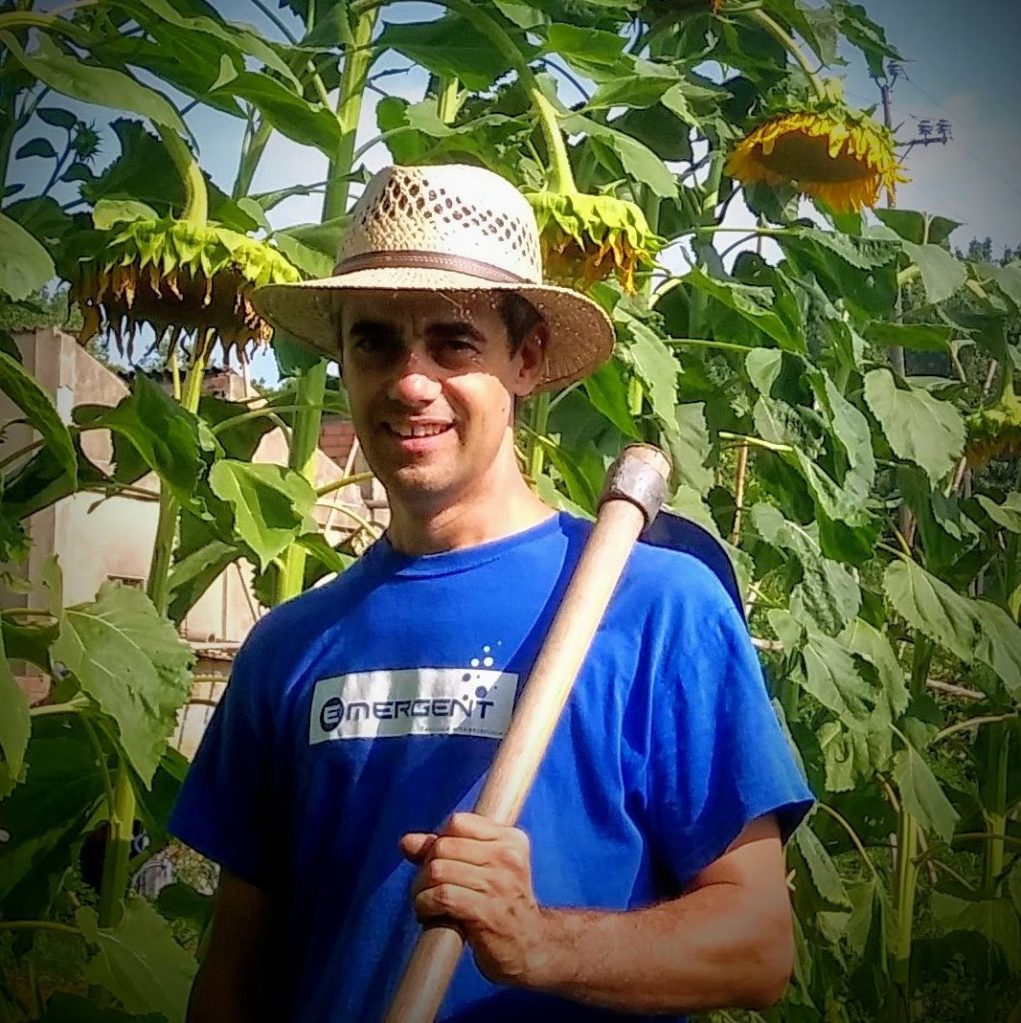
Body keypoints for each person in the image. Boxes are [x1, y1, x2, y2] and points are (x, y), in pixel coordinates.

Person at [169, 163, 814, 1023]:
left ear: (528, 357)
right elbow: (234, 974)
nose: (409, 381)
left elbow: (757, 946)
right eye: (374, 343)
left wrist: (539, 940)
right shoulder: (289, 646)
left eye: (454, 342)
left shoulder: (654, 607)